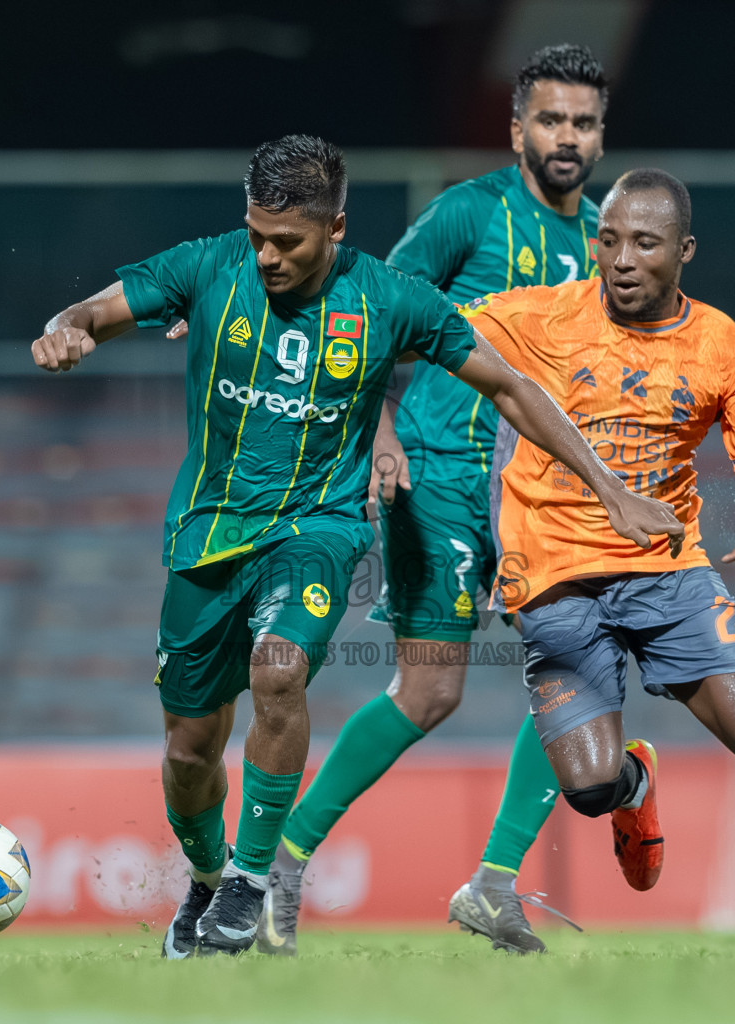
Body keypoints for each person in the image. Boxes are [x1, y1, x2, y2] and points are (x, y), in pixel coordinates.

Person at [30, 136, 683, 958]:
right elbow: (91, 310)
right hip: (205, 536)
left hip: (319, 529)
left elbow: (515, 387)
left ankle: (253, 877)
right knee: (190, 749)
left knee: (280, 669)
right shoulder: (207, 266)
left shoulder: (388, 297)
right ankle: (203, 883)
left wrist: (611, 489)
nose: (266, 255)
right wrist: (66, 330)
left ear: (335, 227)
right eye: (257, 234)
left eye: (288, 241)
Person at [462, 167, 735, 954]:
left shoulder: (724, 348)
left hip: (668, 572)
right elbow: (409, 320)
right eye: (609, 242)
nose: (623, 259)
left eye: (645, 243)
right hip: (555, 579)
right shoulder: (534, 316)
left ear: (685, 250)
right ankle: (634, 784)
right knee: (591, 790)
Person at [258, 43, 609, 957]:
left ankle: (493, 885)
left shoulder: (607, 237)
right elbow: (364, 309)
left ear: (600, 136)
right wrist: (375, 431)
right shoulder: (469, 213)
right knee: (429, 689)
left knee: (583, 671)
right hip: (441, 475)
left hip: (540, 490)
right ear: (516, 128)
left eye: (583, 122)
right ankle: (279, 869)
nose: (566, 137)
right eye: (550, 119)